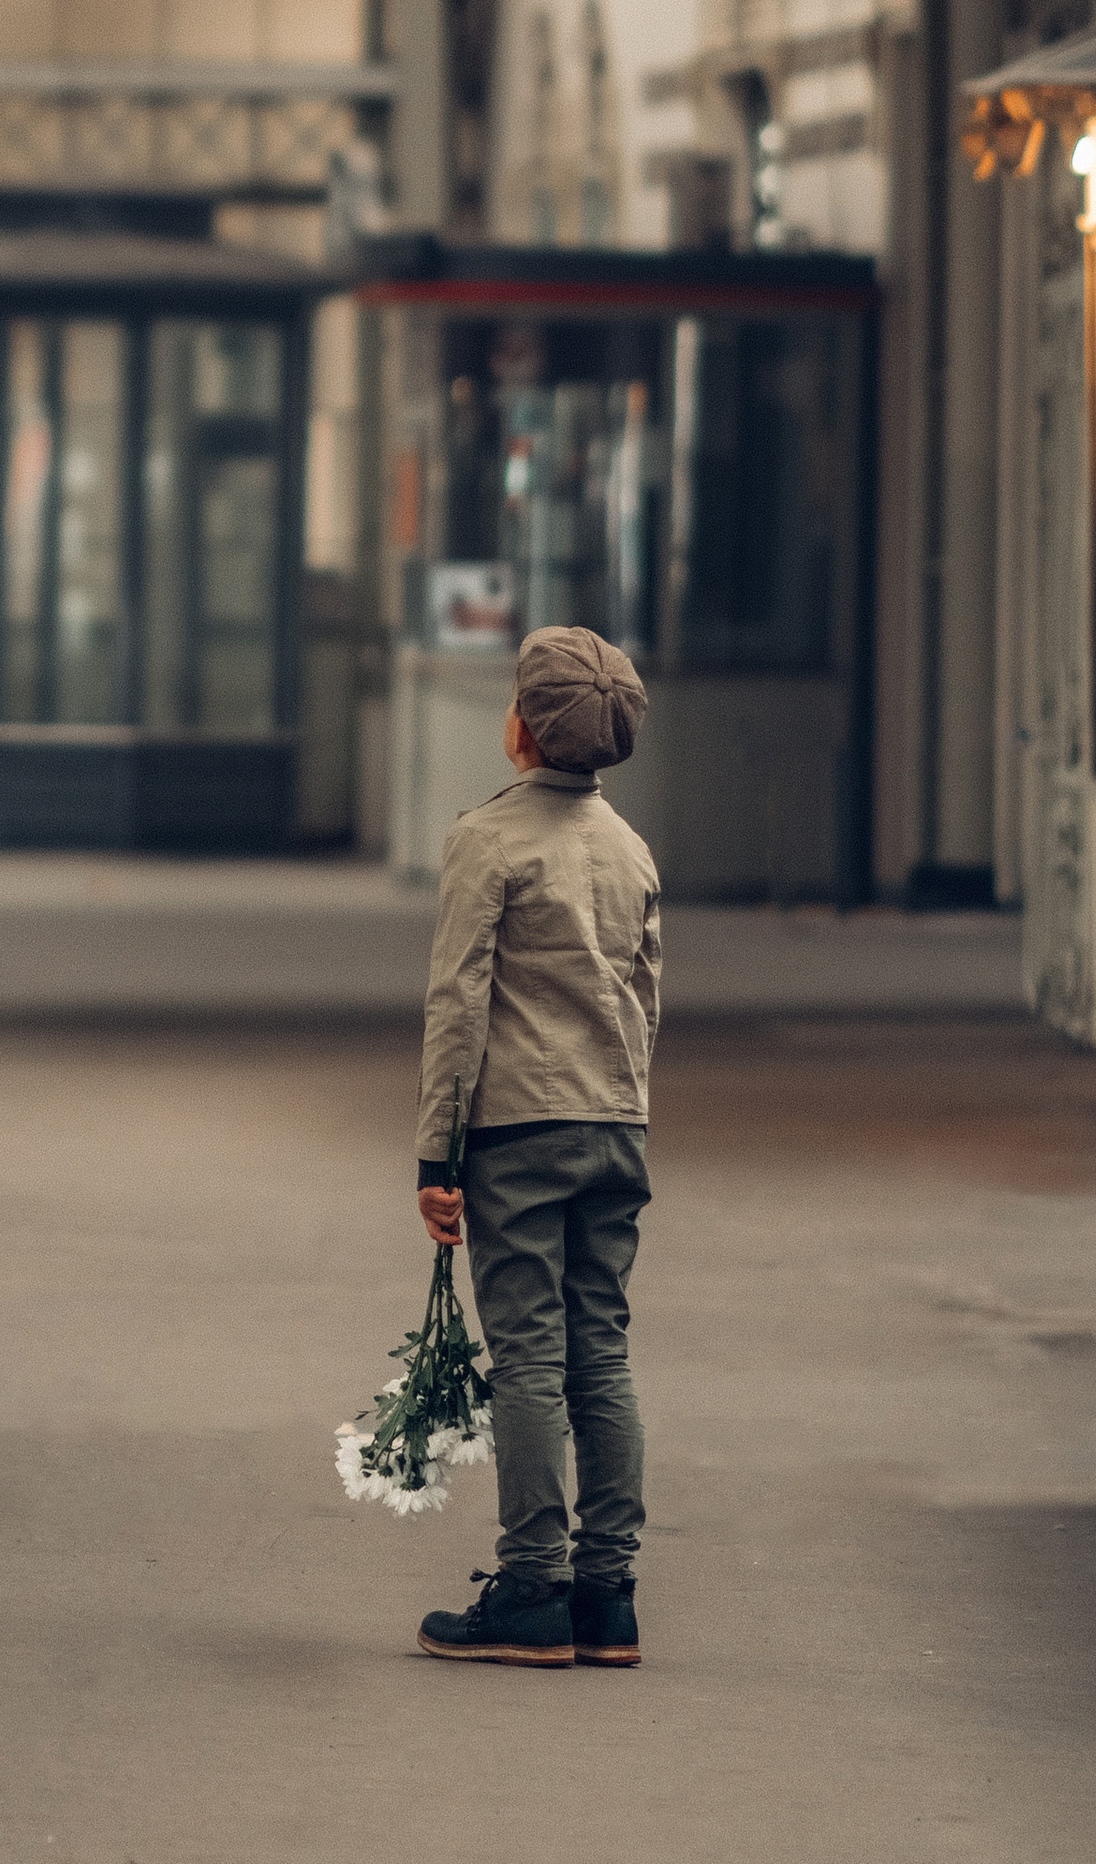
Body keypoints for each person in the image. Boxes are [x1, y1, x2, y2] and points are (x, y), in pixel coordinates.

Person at [411, 620, 661, 1670]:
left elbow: (459, 1000)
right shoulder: (630, 848)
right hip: (616, 1124)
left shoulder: (489, 839)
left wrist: (437, 1152)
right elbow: (646, 995)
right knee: (598, 1349)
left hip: (518, 1129)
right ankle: (607, 1595)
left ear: (520, 728)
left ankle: (530, 1587)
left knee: (527, 1355)